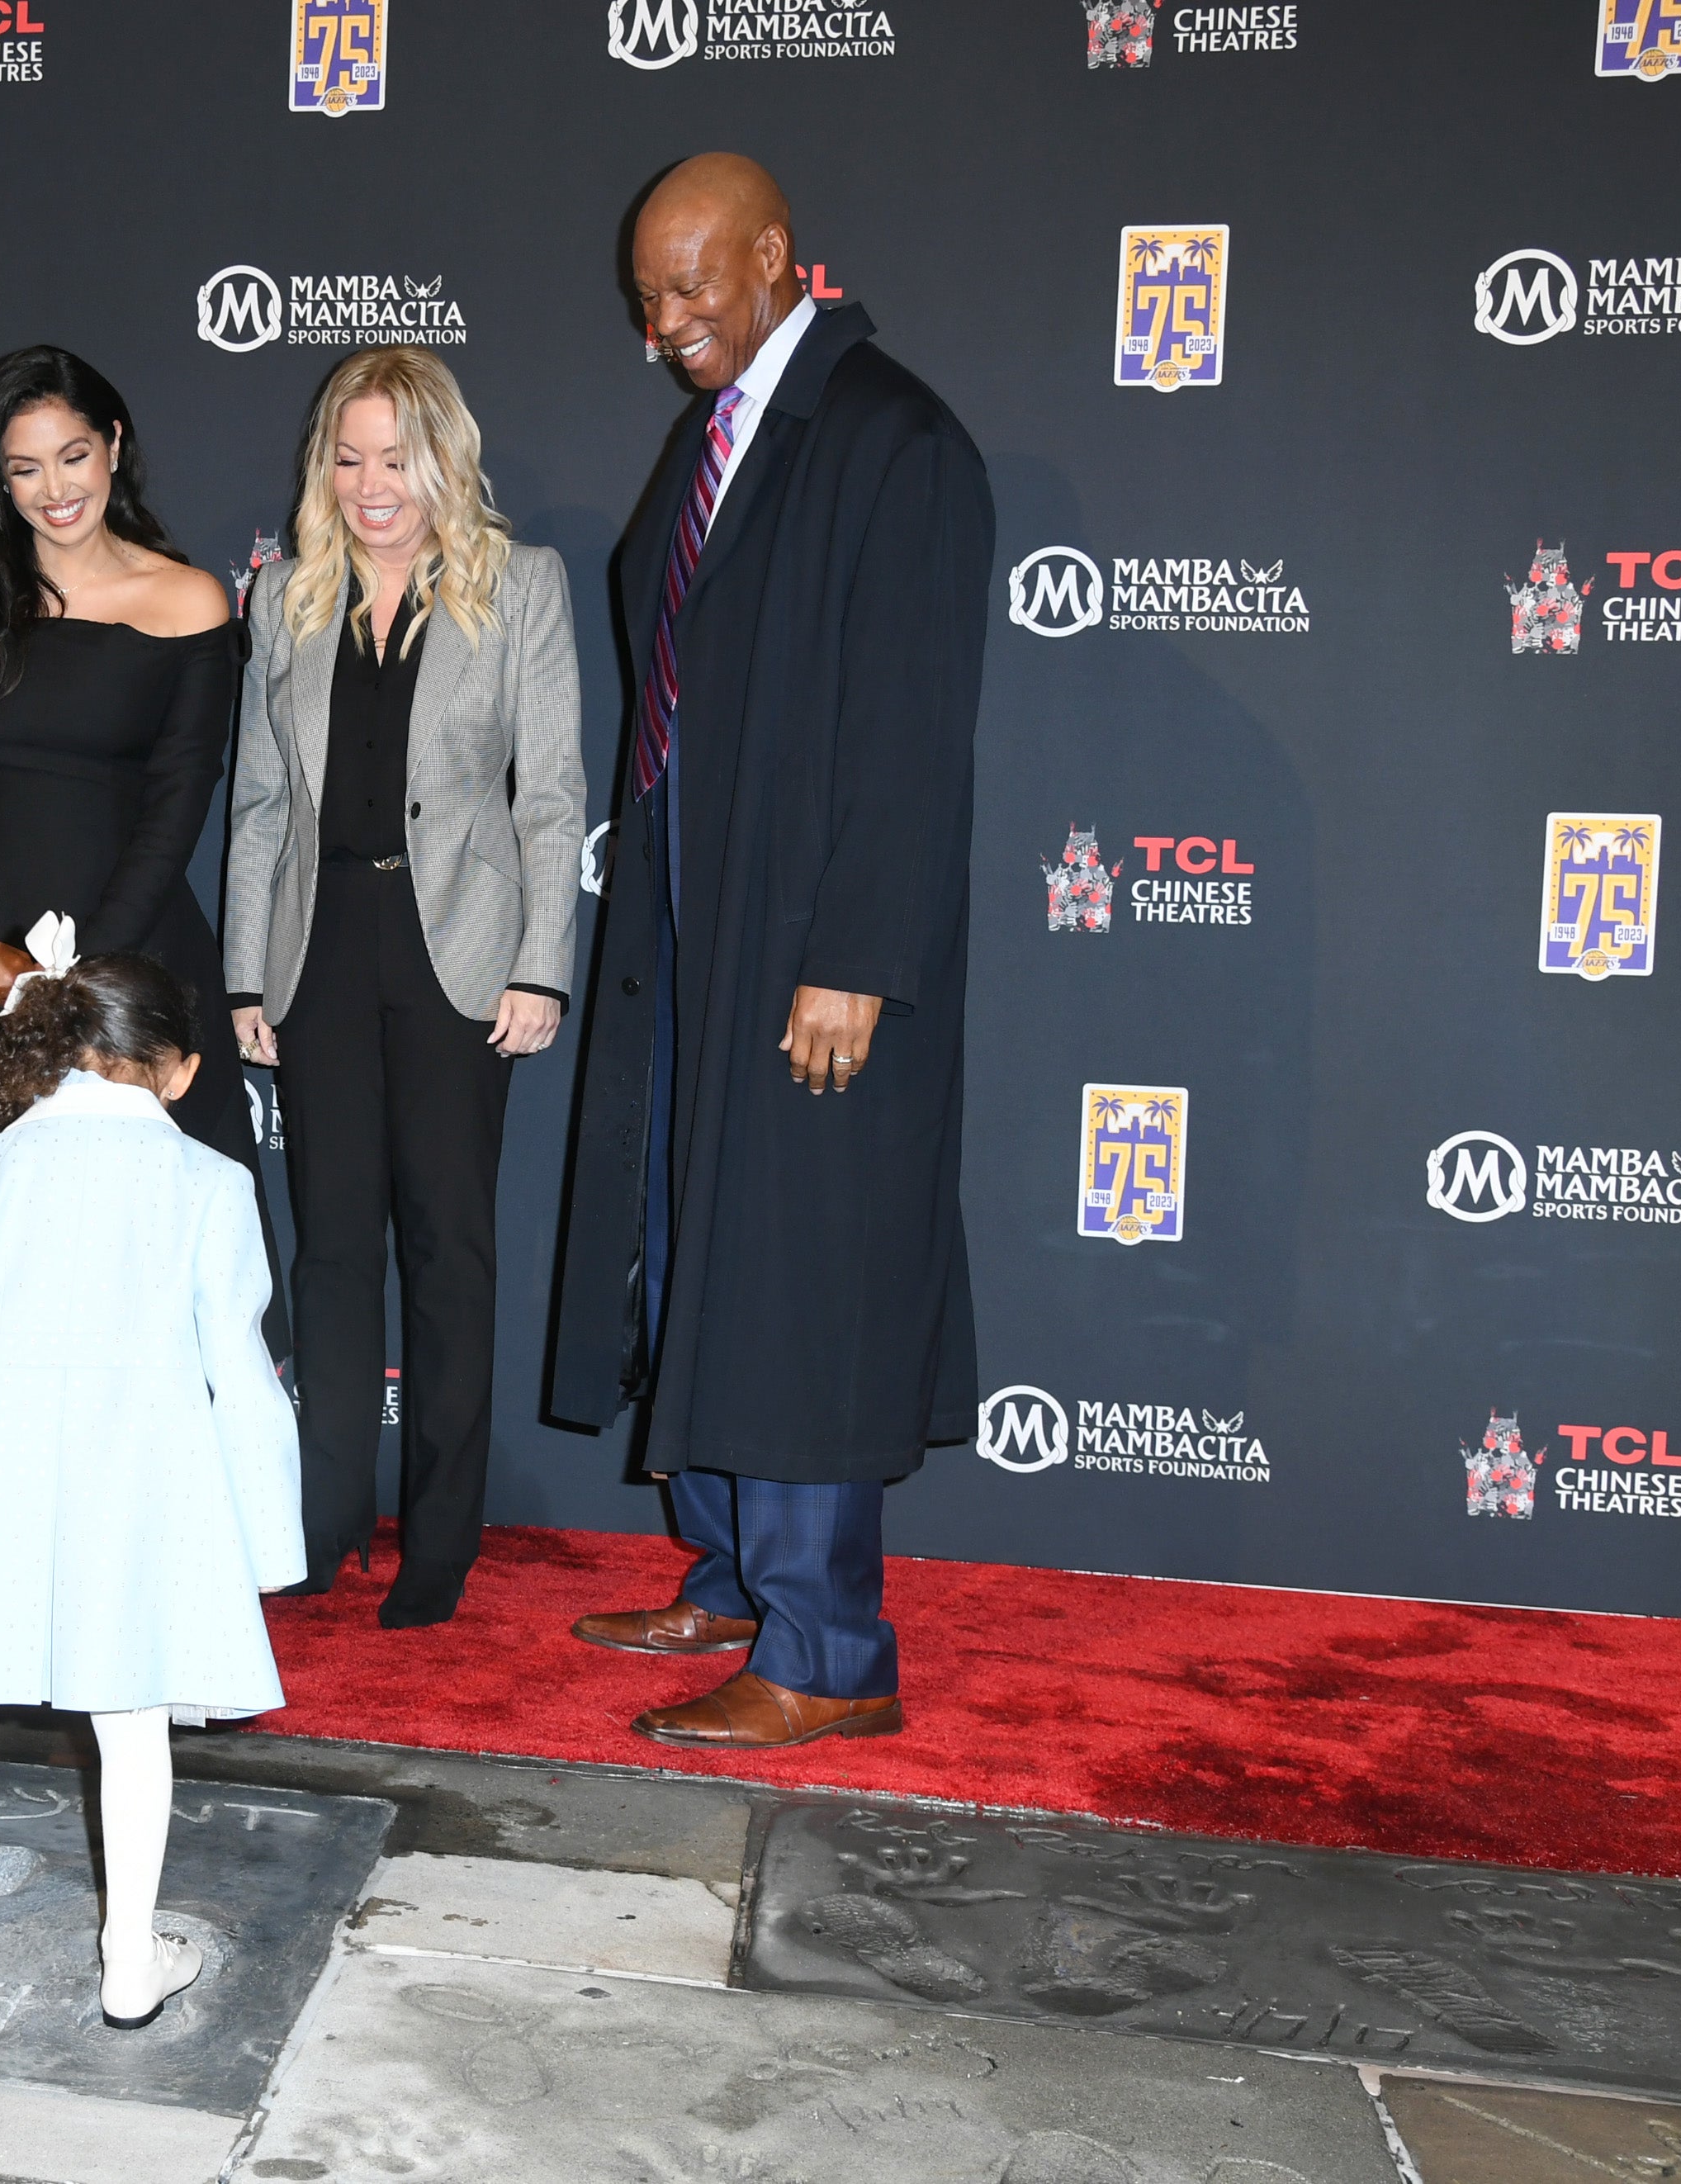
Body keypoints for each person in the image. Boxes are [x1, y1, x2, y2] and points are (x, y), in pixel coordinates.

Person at [548, 155, 992, 1749]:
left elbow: (910, 733)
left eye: (692, 286)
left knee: (799, 1274)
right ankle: (736, 1575)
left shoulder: (892, 441)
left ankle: (824, 1651)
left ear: (777, 259)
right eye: (646, 298)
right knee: (703, 1252)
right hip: (696, 919)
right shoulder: (724, 431)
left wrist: (853, 955)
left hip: (811, 941)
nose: (666, 323)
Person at [0, 950, 303, 2029]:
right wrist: (267, 1548)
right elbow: (248, 1386)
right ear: (177, 1072)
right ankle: (131, 1957)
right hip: (143, 1488)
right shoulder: (212, 1187)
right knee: (131, 1719)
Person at [226, 347, 586, 1628]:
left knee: (450, 1249)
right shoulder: (285, 600)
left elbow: (549, 799)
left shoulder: (520, 588)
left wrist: (544, 962)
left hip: (460, 957)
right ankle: (321, 1525)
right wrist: (241, 978)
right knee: (328, 1254)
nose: (373, 485)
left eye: (398, 457)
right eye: (350, 456)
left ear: (445, 458)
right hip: (320, 949)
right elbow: (261, 805)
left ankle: (441, 1540)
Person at [0, 346, 280, 1362]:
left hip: (126, 958)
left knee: (128, 1279)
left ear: (116, 446)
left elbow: (181, 801)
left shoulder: (190, 603)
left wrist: (81, 981)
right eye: (25, 468)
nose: (55, 490)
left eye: (74, 455)